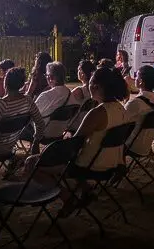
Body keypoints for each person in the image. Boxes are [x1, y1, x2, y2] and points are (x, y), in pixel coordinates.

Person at [56, 67, 131, 216]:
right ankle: (86, 190)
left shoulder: (97, 113)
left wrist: (67, 136)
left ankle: (68, 198)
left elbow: (75, 143)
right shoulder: (121, 108)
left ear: (95, 86)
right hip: (111, 163)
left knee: (34, 165)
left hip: (89, 166)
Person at [124, 66, 154, 155]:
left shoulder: (136, 102)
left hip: (132, 146)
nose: (134, 79)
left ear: (141, 81)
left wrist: (126, 98)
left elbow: (120, 119)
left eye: (136, 76)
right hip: (145, 146)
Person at [33, 61, 75, 143]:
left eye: (47, 75)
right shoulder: (69, 93)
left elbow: (32, 112)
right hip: (60, 132)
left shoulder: (47, 95)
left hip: (42, 133)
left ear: (50, 77)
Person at [70, 59, 97, 129]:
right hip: (90, 123)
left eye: (79, 69)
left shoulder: (79, 91)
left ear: (83, 74)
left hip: (77, 125)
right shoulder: (96, 89)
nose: (78, 72)